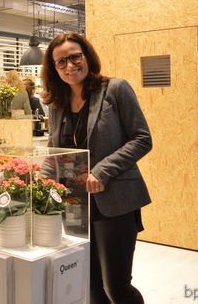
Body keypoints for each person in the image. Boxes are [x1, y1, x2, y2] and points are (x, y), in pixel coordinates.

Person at [40, 32, 152, 304]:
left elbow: (142, 139)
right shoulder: (57, 103)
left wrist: (102, 171)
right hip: (74, 204)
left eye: (75, 57)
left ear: (87, 56)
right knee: (90, 287)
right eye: (61, 62)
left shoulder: (115, 89)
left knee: (117, 289)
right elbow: (55, 152)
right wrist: (40, 181)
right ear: (54, 68)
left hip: (114, 201)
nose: (70, 66)